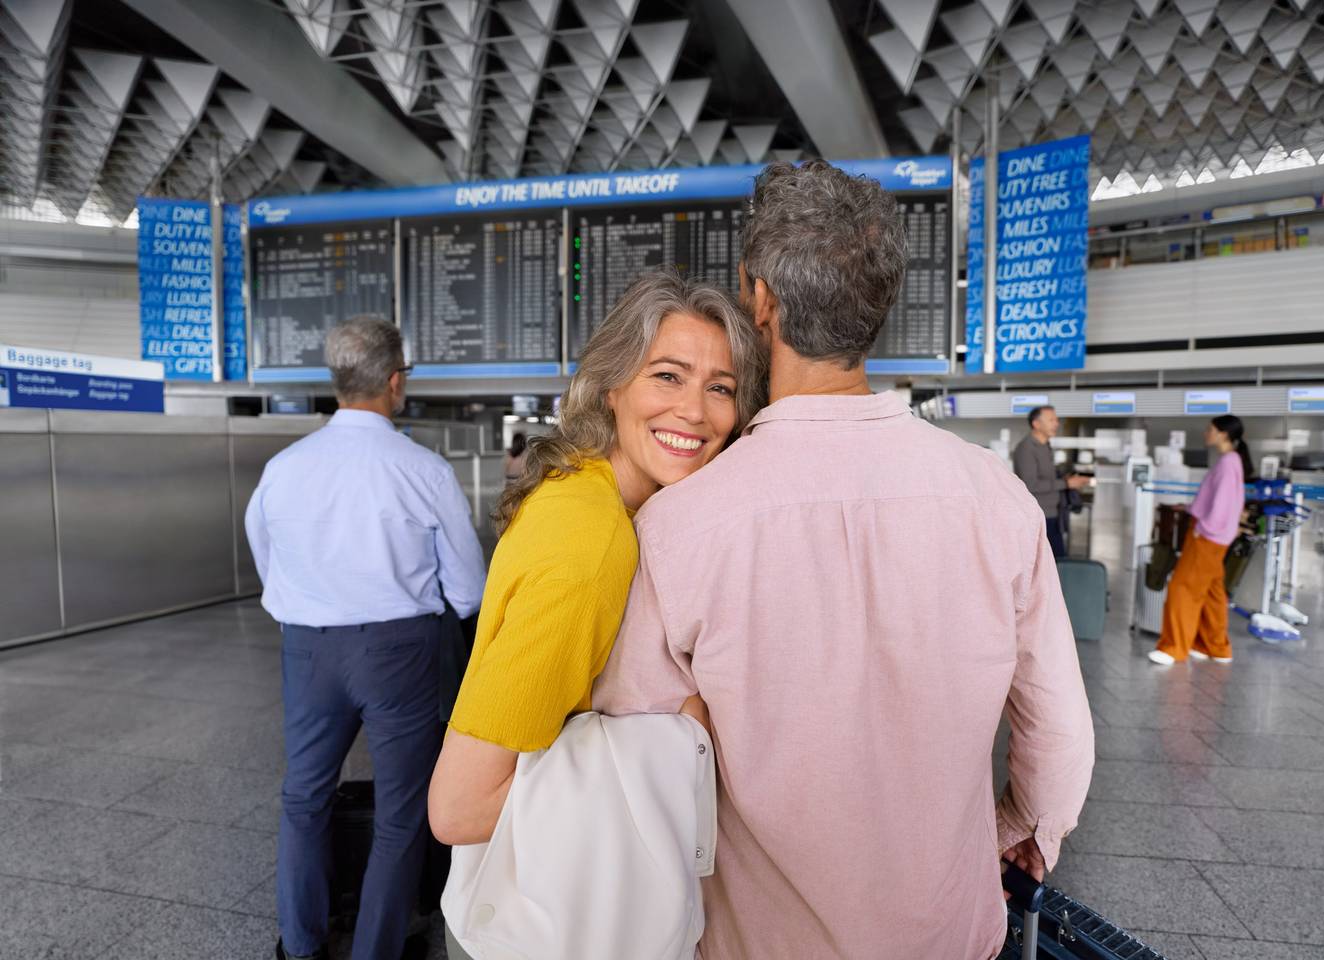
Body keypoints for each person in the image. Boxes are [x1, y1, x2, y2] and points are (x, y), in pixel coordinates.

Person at [593, 161, 1094, 960]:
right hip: (950, 936)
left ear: (760, 299)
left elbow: (632, 742)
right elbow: (1058, 734)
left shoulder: (682, 523)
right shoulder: (994, 500)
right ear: (881, 305)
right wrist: (1018, 829)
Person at [426, 270, 766, 958]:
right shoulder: (593, 543)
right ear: (612, 386)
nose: (695, 411)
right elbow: (457, 810)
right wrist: (679, 734)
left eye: (720, 387)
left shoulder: (583, 489)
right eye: (667, 376)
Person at [245, 317, 486, 960]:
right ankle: (376, 950)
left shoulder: (283, 467)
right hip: (398, 649)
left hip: (309, 646)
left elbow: (266, 558)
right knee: (402, 808)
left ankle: (300, 945)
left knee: (303, 796)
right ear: (395, 380)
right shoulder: (424, 470)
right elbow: (466, 588)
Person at [1148, 414, 1252, 666]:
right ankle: (1214, 646)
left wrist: (1203, 526)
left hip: (1207, 536)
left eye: (1210, 429)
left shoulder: (1228, 463)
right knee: (1212, 592)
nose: (1206, 433)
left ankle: (1173, 647)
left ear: (1223, 434)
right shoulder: (1231, 461)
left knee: (1182, 589)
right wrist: (1193, 508)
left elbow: (1222, 504)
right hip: (1216, 536)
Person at [1013, 405, 1087, 558]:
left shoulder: (1045, 446)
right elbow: (1030, 485)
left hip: (1053, 513)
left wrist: (1063, 479)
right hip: (1040, 515)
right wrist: (1066, 484)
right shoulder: (1026, 448)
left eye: (1057, 420)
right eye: (1051, 420)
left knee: (1057, 560)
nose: (1056, 424)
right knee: (1050, 562)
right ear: (1036, 424)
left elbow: (1046, 478)